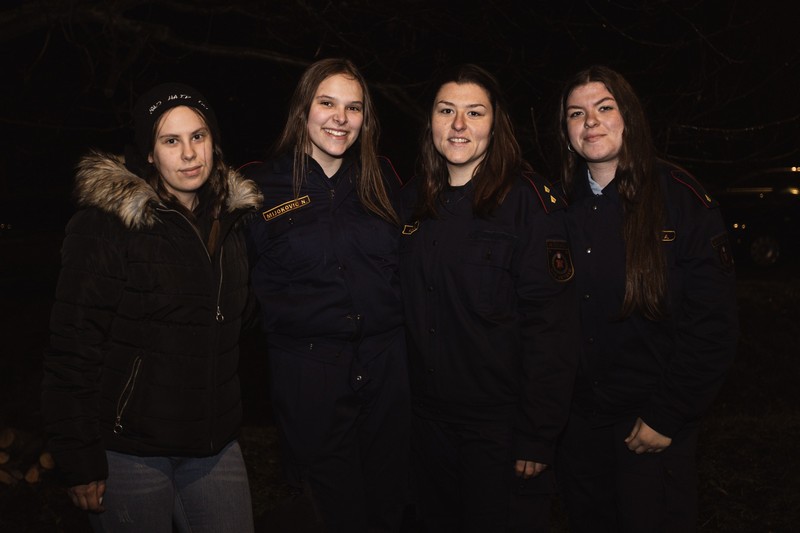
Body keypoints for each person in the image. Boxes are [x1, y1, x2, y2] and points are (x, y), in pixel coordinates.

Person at [41, 82, 262, 532]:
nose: (189, 153)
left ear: (214, 142)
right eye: (171, 141)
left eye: (198, 136)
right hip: (131, 451)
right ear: (148, 153)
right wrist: (78, 457)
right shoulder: (108, 225)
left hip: (214, 444)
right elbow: (73, 345)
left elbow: (242, 317)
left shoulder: (231, 222)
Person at [553, 65, 739, 533]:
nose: (590, 121)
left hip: (652, 428)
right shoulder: (554, 207)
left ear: (629, 116)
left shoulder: (682, 199)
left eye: (604, 107)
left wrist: (669, 414)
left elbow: (713, 325)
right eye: (576, 113)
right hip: (579, 432)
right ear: (566, 131)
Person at [398, 63, 578, 533]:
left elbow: (552, 329)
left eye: (474, 113)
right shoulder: (410, 201)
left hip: (499, 432)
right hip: (426, 429)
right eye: (446, 111)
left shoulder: (529, 203)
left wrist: (538, 434)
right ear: (430, 122)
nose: (459, 124)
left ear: (496, 125)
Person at [243, 57, 410, 532]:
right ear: (303, 109)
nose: (341, 118)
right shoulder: (259, 186)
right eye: (327, 103)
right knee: (331, 512)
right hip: (309, 375)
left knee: (391, 508)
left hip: (386, 368)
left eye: (353, 107)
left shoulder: (384, 179)